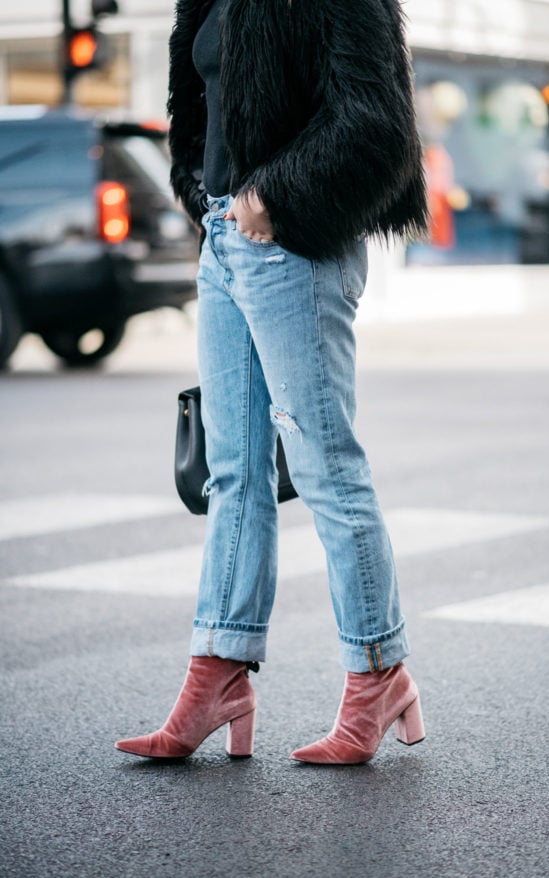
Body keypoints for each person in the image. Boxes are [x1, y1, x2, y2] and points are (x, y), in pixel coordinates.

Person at [115, 0, 429, 765]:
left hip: (292, 242)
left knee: (326, 466)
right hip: (225, 240)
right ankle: (217, 673)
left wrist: (272, 198)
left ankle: (378, 673)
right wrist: (206, 200)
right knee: (233, 474)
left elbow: (378, 125)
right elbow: (194, 117)